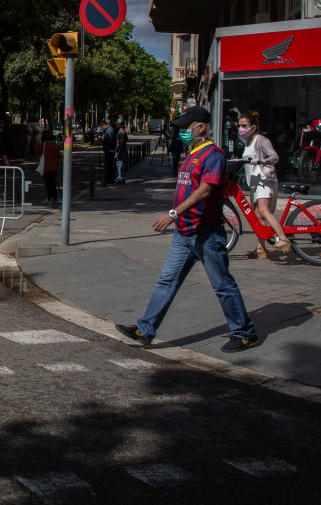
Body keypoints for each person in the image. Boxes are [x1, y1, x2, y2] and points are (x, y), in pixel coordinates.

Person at [116, 105, 259, 353]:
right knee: (166, 281)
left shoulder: (213, 155)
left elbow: (206, 190)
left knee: (222, 285)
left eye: (185, 127)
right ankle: (146, 329)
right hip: (184, 233)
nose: (182, 132)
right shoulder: (193, 153)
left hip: (206, 232)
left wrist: (173, 213)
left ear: (200, 127)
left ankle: (245, 333)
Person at [239, 110, 291, 257]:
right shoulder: (248, 141)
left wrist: (261, 161)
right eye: (239, 125)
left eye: (244, 125)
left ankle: (283, 238)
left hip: (264, 180)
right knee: (258, 216)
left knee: (263, 211)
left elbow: (275, 157)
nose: (240, 128)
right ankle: (261, 249)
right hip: (255, 182)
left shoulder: (260, 140)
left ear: (253, 127)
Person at [35, 133, 62, 203]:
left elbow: (37, 150)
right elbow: (59, 155)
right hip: (54, 166)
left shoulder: (43, 145)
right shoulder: (55, 145)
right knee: (53, 183)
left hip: (46, 166)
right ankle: (55, 197)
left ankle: (49, 197)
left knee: (48, 183)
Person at [101, 118, 118, 185]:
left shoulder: (109, 130)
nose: (102, 128)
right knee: (109, 166)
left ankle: (110, 180)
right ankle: (109, 180)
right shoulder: (110, 130)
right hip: (110, 150)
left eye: (102, 127)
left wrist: (104, 142)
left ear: (104, 125)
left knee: (109, 166)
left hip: (110, 150)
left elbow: (109, 140)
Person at [115, 118, 129, 183]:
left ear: (120, 124)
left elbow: (121, 142)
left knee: (120, 164)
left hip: (121, 149)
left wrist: (117, 150)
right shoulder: (122, 131)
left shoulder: (121, 132)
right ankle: (121, 177)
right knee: (121, 163)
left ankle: (120, 177)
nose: (116, 125)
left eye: (117, 124)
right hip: (123, 149)